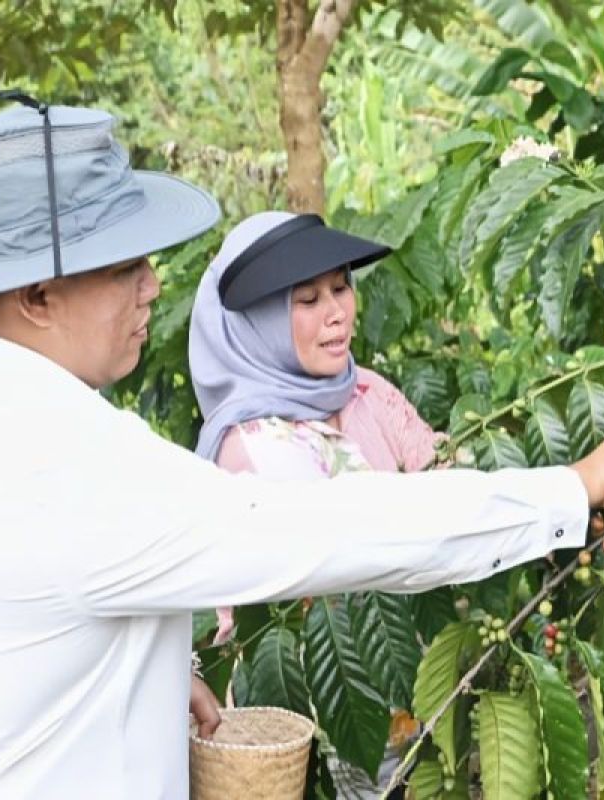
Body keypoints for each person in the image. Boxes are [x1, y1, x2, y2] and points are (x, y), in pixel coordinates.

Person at [0, 102, 604, 799]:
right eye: (124, 268)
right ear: (37, 297)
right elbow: (327, 529)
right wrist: (573, 486)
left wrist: (132, 671)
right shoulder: (80, 466)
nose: (154, 285)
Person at [189, 212, 442, 796]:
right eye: (307, 299)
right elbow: (384, 538)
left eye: (341, 287)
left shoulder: (365, 389)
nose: (337, 312)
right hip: (302, 723)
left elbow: (441, 476)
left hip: (401, 702)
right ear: (256, 323)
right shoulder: (253, 445)